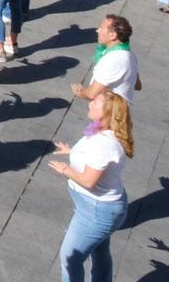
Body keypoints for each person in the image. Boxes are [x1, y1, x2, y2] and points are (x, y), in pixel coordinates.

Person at [49, 93, 133, 282]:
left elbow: (88, 181)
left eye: (97, 102)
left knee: (70, 257)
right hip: (95, 207)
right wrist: (73, 151)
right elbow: (93, 158)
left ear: (107, 113)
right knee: (99, 250)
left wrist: (66, 170)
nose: (91, 103)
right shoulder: (101, 132)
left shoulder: (104, 144)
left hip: (96, 211)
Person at [71, 15, 140, 105]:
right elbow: (138, 85)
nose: (97, 31)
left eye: (101, 28)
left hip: (108, 113)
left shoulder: (113, 60)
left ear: (112, 35)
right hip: (119, 113)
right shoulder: (130, 55)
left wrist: (79, 92)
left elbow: (92, 94)